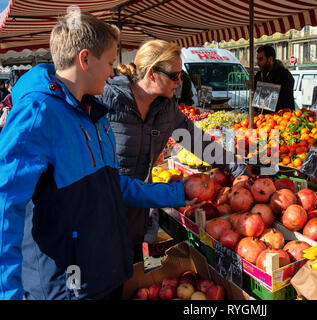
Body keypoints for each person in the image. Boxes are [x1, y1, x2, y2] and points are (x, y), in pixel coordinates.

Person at [0, 12, 195, 300]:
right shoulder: (36, 115)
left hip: (106, 273)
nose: (113, 70)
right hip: (66, 285)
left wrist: (176, 193)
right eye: (109, 61)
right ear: (85, 59)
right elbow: (5, 208)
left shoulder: (96, 115)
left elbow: (112, 186)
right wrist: (10, 293)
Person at [97, 39, 250, 263]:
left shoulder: (165, 108)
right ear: (151, 73)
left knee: (132, 272)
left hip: (137, 210)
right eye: (174, 76)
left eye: (180, 76)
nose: (179, 82)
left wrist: (238, 169)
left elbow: (198, 141)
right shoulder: (107, 101)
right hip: (102, 209)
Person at [254, 45, 295, 113]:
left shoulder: (285, 75)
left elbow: (288, 101)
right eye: (257, 59)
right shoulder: (258, 75)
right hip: (261, 119)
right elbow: (255, 97)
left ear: (270, 59)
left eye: (261, 59)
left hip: (279, 118)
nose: (258, 62)